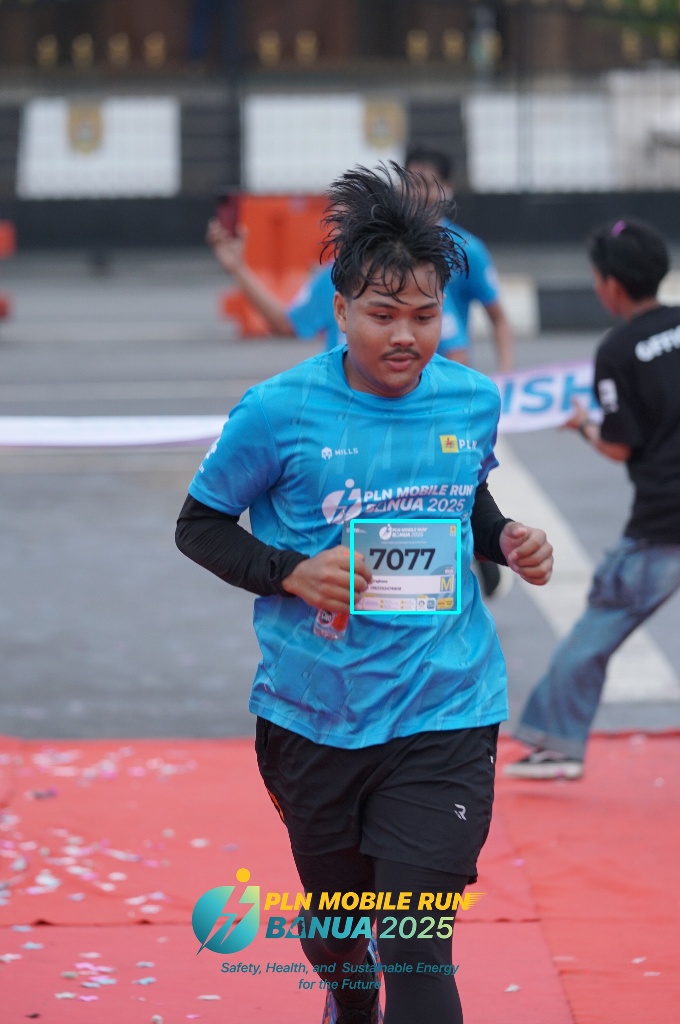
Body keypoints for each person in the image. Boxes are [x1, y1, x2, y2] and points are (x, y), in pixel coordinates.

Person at [178, 163, 553, 1024]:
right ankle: (349, 1001)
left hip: (448, 707)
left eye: (425, 316)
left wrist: (505, 538)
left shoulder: (471, 399)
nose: (406, 336)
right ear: (340, 310)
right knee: (340, 932)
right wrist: (289, 570)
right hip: (316, 715)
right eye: (383, 315)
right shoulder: (276, 412)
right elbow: (198, 526)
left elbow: (466, 497)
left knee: (416, 941)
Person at [505, 217, 680, 781]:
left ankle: (555, 741)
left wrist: (583, 426)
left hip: (664, 522)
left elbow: (620, 446)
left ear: (611, 286)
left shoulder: (619, 350)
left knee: (603, 621)